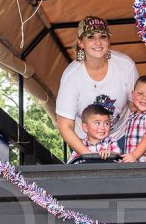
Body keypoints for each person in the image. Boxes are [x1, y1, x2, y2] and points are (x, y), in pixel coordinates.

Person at [56, 16, 138, 156]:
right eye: (91, 37)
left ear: (108, 41)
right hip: (84, 140)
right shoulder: (71, 76)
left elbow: (136, 107)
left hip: (121, 136)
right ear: (81, 43)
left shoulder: (125, 66)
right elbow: (64, 125)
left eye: (103, 36)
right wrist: (89, 155)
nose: (98, 42)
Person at [121, 75, 146, 163]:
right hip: (131, 161)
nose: (144, 98)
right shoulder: (132, 115)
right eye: (140, 93)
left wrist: (134, 155)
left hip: (145, 164)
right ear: (132, 94)